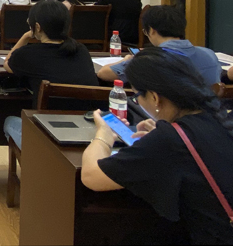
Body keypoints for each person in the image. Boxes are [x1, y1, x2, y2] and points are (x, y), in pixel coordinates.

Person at [81, 48, 233, 244]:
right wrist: (164, 134)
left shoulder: (169, 140)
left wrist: (103, 134)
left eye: (137, 95)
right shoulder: (219, 116)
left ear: (154, 97)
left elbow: (91, 176)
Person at [2, 0, 98, 147]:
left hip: (46, 137)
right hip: (86, 132)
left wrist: (26, 36)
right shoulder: (81, 51)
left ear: (37, 27)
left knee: (8, 121)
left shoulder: (27, 55)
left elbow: (7, 63)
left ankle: (34, 159)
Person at [97, 5, 221, 85]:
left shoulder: (148, 59)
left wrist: (127, 60)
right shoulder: (209, 54)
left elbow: (104, 73)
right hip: (209, 116)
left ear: (152, 31)